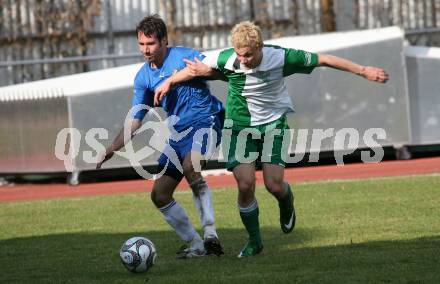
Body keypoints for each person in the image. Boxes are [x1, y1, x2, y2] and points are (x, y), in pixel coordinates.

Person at [154, 21, 389, 258]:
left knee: (273, 185)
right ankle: (255, 241)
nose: (243, 60)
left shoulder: (281, 57)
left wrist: (363, 70)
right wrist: (169, 81)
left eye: (248, 55)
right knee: (245, 185)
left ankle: (286, 200)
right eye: (239, 54)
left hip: (273, 125)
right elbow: (195, 68)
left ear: (260, 47)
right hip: (239, 128)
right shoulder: (227, 58)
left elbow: (324, 59)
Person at [96, 15, 225, 258]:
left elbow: (221, 73)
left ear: (165, 41)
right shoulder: (143, 78)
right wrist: (112, 147)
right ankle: (196, 245)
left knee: (191, 166)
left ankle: (210, 235)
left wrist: (191, 74)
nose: (145, 50)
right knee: (160, 195)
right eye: (141, 44)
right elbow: (135, 119)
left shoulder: (185, 55)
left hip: (205, 121)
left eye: (151, 44)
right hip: (177, 132)